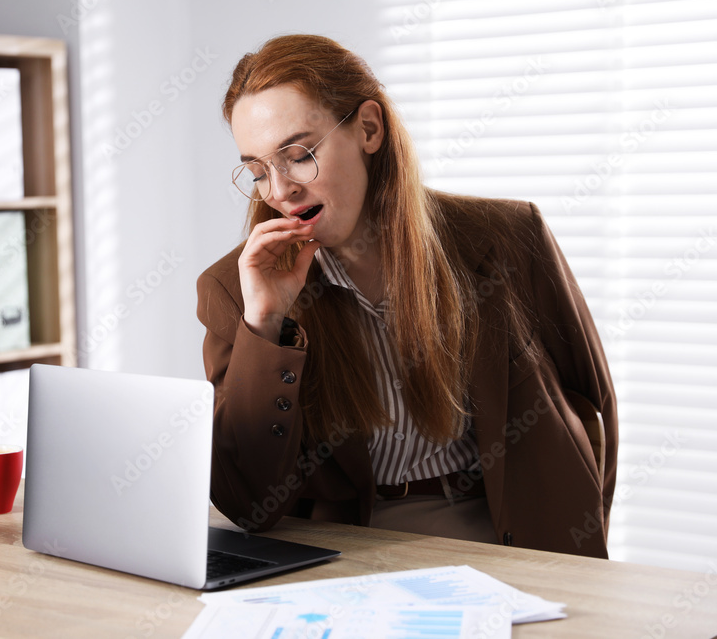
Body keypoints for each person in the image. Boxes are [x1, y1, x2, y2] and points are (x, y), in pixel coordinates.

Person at [196, 34, 618, 558]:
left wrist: (578, 547)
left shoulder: (510, 235)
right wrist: (265, 323)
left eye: (299, 155)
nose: (280, 192)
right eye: (258, 170)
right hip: (354, 550)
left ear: (369, 128)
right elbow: (249, 504)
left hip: (516, 541)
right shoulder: (233, 289)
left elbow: (589, 406)